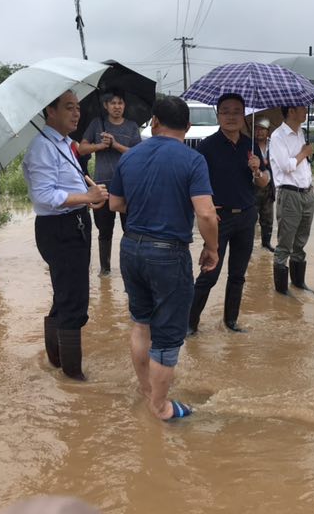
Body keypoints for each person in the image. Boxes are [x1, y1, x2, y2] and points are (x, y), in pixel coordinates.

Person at [108, 97, 219, 421]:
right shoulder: (192, 160)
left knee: (141, 323)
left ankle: (147, 391)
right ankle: (161, 406)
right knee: (169, 334)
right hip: (168, 254)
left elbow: (115, 204)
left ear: (154, 122)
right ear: (187, 127)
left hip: (131, 249)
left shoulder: (130, 157)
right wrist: (211, 249)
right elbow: (206, 214)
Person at [22, 90, 109, 381]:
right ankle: (74, 378)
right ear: (50, 111)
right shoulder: (42, 147)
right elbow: (44, 196)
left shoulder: (63, 144)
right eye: (69, 107)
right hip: (60, 229)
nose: (76, 113)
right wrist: (86, 197)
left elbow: (68, 186)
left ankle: (56, 362)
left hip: (73, 224)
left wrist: (90, 198)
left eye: (78, 107)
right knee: (74, 301)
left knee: (64, 296)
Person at [187, 93, 270, 335]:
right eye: (226, 111)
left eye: (236, 111)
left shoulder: (250, 146)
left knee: (238, 275)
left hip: (246, 216)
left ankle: (230, 322)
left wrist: (256, 169)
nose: (231, 116)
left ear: (244, 115)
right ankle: (189, 324)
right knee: (209, 274)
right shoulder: (206, 147)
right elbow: (195, 186)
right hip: (219, 220)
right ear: (218, 115)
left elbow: (264, 182)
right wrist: (209, 211)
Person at [77, 91, 141, 275]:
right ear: (105, 106)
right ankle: (105, 270)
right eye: (112, 103)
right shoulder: (97, 124)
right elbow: (82, 148)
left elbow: (138, 154)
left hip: (127, 186)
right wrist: (99, 146)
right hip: (102, 186)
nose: (117, 106)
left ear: (125, 106)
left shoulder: (131, 127)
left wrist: (115, 145)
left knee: (130, 229)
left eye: (120, 103)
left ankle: (129, 269)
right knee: (104, 231)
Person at [269, 105, 314, 294]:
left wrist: (306, 155)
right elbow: (286, 166)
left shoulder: (301, 133)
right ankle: (281, 291)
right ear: (291, 112)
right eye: (302, 109)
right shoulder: (278, 136)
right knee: (285, 243)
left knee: (301, 241)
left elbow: (302, 163)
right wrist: (304, 153)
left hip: (307, 193)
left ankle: (298, 283)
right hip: (289, 194)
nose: (306, 112)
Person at [253, 118, 275, 251]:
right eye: (257, 128)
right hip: (253, 186)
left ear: (268, 131)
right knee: (251, 217)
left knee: (268, 216)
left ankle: (266, 243)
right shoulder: (250, 146)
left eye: (262, 129)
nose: (259, 132)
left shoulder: (274, 145)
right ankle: (248, 245)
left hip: (269, 185)